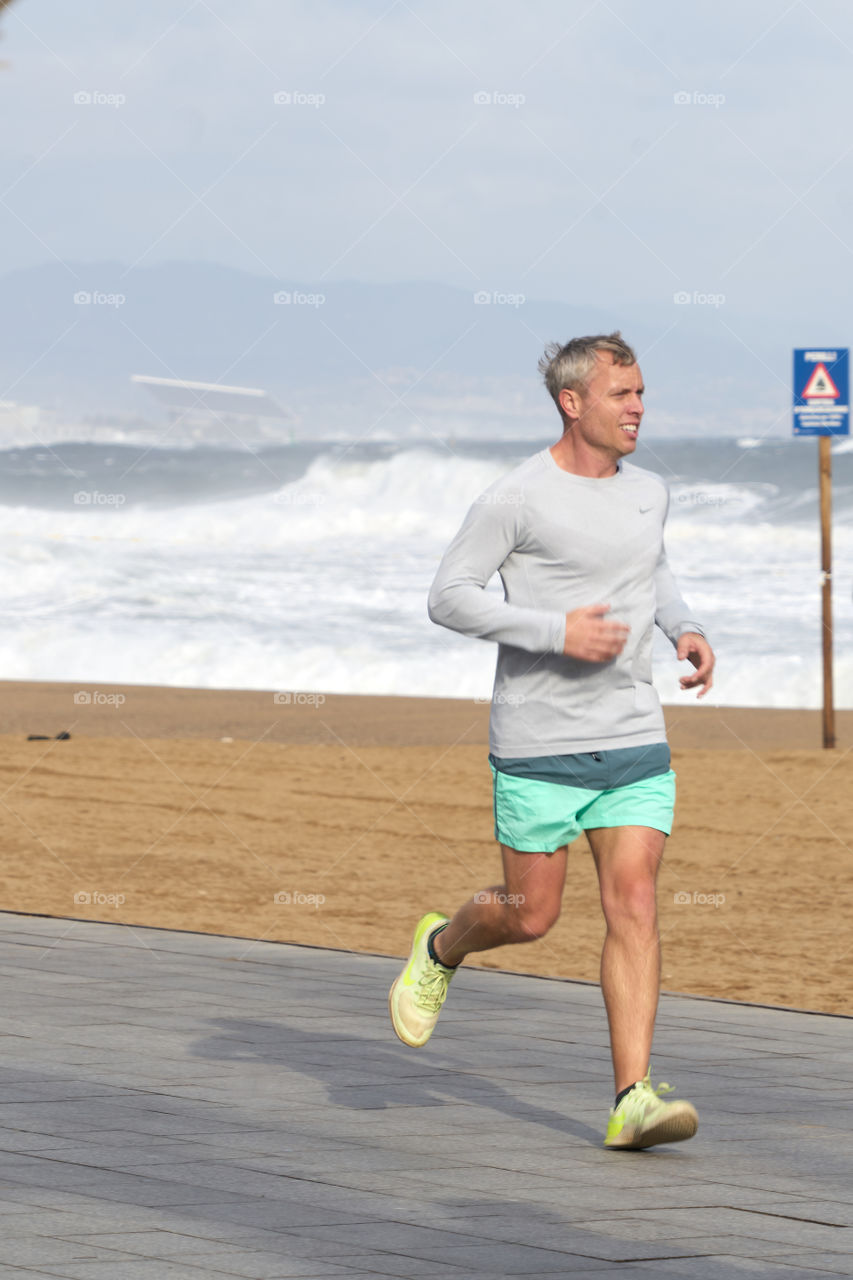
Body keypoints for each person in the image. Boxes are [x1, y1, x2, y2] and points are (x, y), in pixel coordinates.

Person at [388, 332, 715, 1150]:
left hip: (633, 732)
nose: (638, 407)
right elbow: (449, 597)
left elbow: (653, 568)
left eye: (641, 392)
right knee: (528, 915)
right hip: (539, 741)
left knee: (632, 901)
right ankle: (441, 945)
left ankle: (631, 1096)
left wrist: (684, 627)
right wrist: (552, 631)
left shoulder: (649, 490)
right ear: (572, 403)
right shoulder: (515, 497)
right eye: (621, 395)